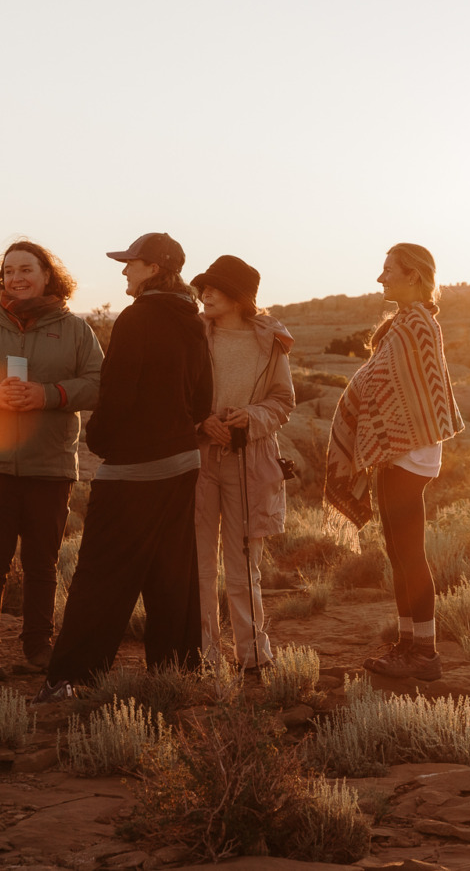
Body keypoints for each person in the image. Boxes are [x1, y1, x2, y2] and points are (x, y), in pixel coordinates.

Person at [37, 232, 212, 701]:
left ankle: (69, 680)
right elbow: (203, 400)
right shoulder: (192, 319)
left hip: (133, 467)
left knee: (101, 574)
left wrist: (101, 440)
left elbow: (118, 393)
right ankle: (177, 676)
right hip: (181, 462)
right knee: (172, 573)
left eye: (131, 263)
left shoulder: (138, 319)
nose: (124, 270)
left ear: (154, 268)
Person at [0, 240, 103, 679]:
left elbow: (97, 383)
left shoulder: (75, 330)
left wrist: (49, 395)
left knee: (42, 564)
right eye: (9, 271)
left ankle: (38, 647)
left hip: (50, 465)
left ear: (47, 275)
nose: (16, 278)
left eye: (26, 269)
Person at [324, 243, 464, 681]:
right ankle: (408, 645)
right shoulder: (403, 324)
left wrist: (383, 431)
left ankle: (425, 654)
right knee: (398, 553)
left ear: (414, 276)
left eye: (389, 270)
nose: (381, 278)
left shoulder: (419, 325)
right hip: (394, 452)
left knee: (409, 553)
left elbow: (418, 391)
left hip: (409, 451)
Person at [190, 255, 295, 674]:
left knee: (242, 563)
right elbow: (176, 394)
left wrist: (251, 417)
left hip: (248, 463)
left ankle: (253, 656)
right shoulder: (194, 336)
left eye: (215, 288)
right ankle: (204, 655)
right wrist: (201, 421)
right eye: (204, 287)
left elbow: (283, 401)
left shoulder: (269, 343)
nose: (205, 294)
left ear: (239, 297)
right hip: (197, 459)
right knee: (197, 563)